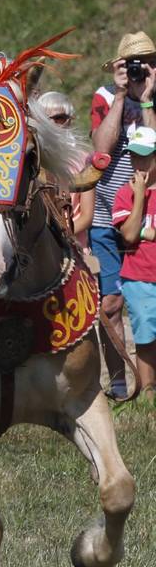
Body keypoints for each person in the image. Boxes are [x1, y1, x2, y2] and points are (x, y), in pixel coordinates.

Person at [89, 32, 156, 399]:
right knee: (110, 304)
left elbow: (155, 150)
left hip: (146, 210)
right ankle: (118, 382)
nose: (140, 69)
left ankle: (149, 384)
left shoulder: (154, 99)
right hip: (105, 216)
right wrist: (119, 95)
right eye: (134, 63)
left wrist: (146, 101)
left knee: (150, 301)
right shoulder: (103, 96)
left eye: (147, 61)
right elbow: (101, 148)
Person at [112, 126, 156, 403]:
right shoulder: (124, 194)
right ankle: (148, 392)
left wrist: (145, 231)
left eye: (144, 157)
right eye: (133, 157)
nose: (138, 163)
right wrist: (140, 195)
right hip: (138, 276)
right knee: (145, 334)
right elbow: (127, 234)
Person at [38, 91, 95, 251]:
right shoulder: (33, 158)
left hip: (75, 245)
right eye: (47, 118)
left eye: (60, 118)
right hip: (38, 248)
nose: (54, 123)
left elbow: (86, 215)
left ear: (70, 120)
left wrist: (59, 234)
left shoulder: (83, 160)